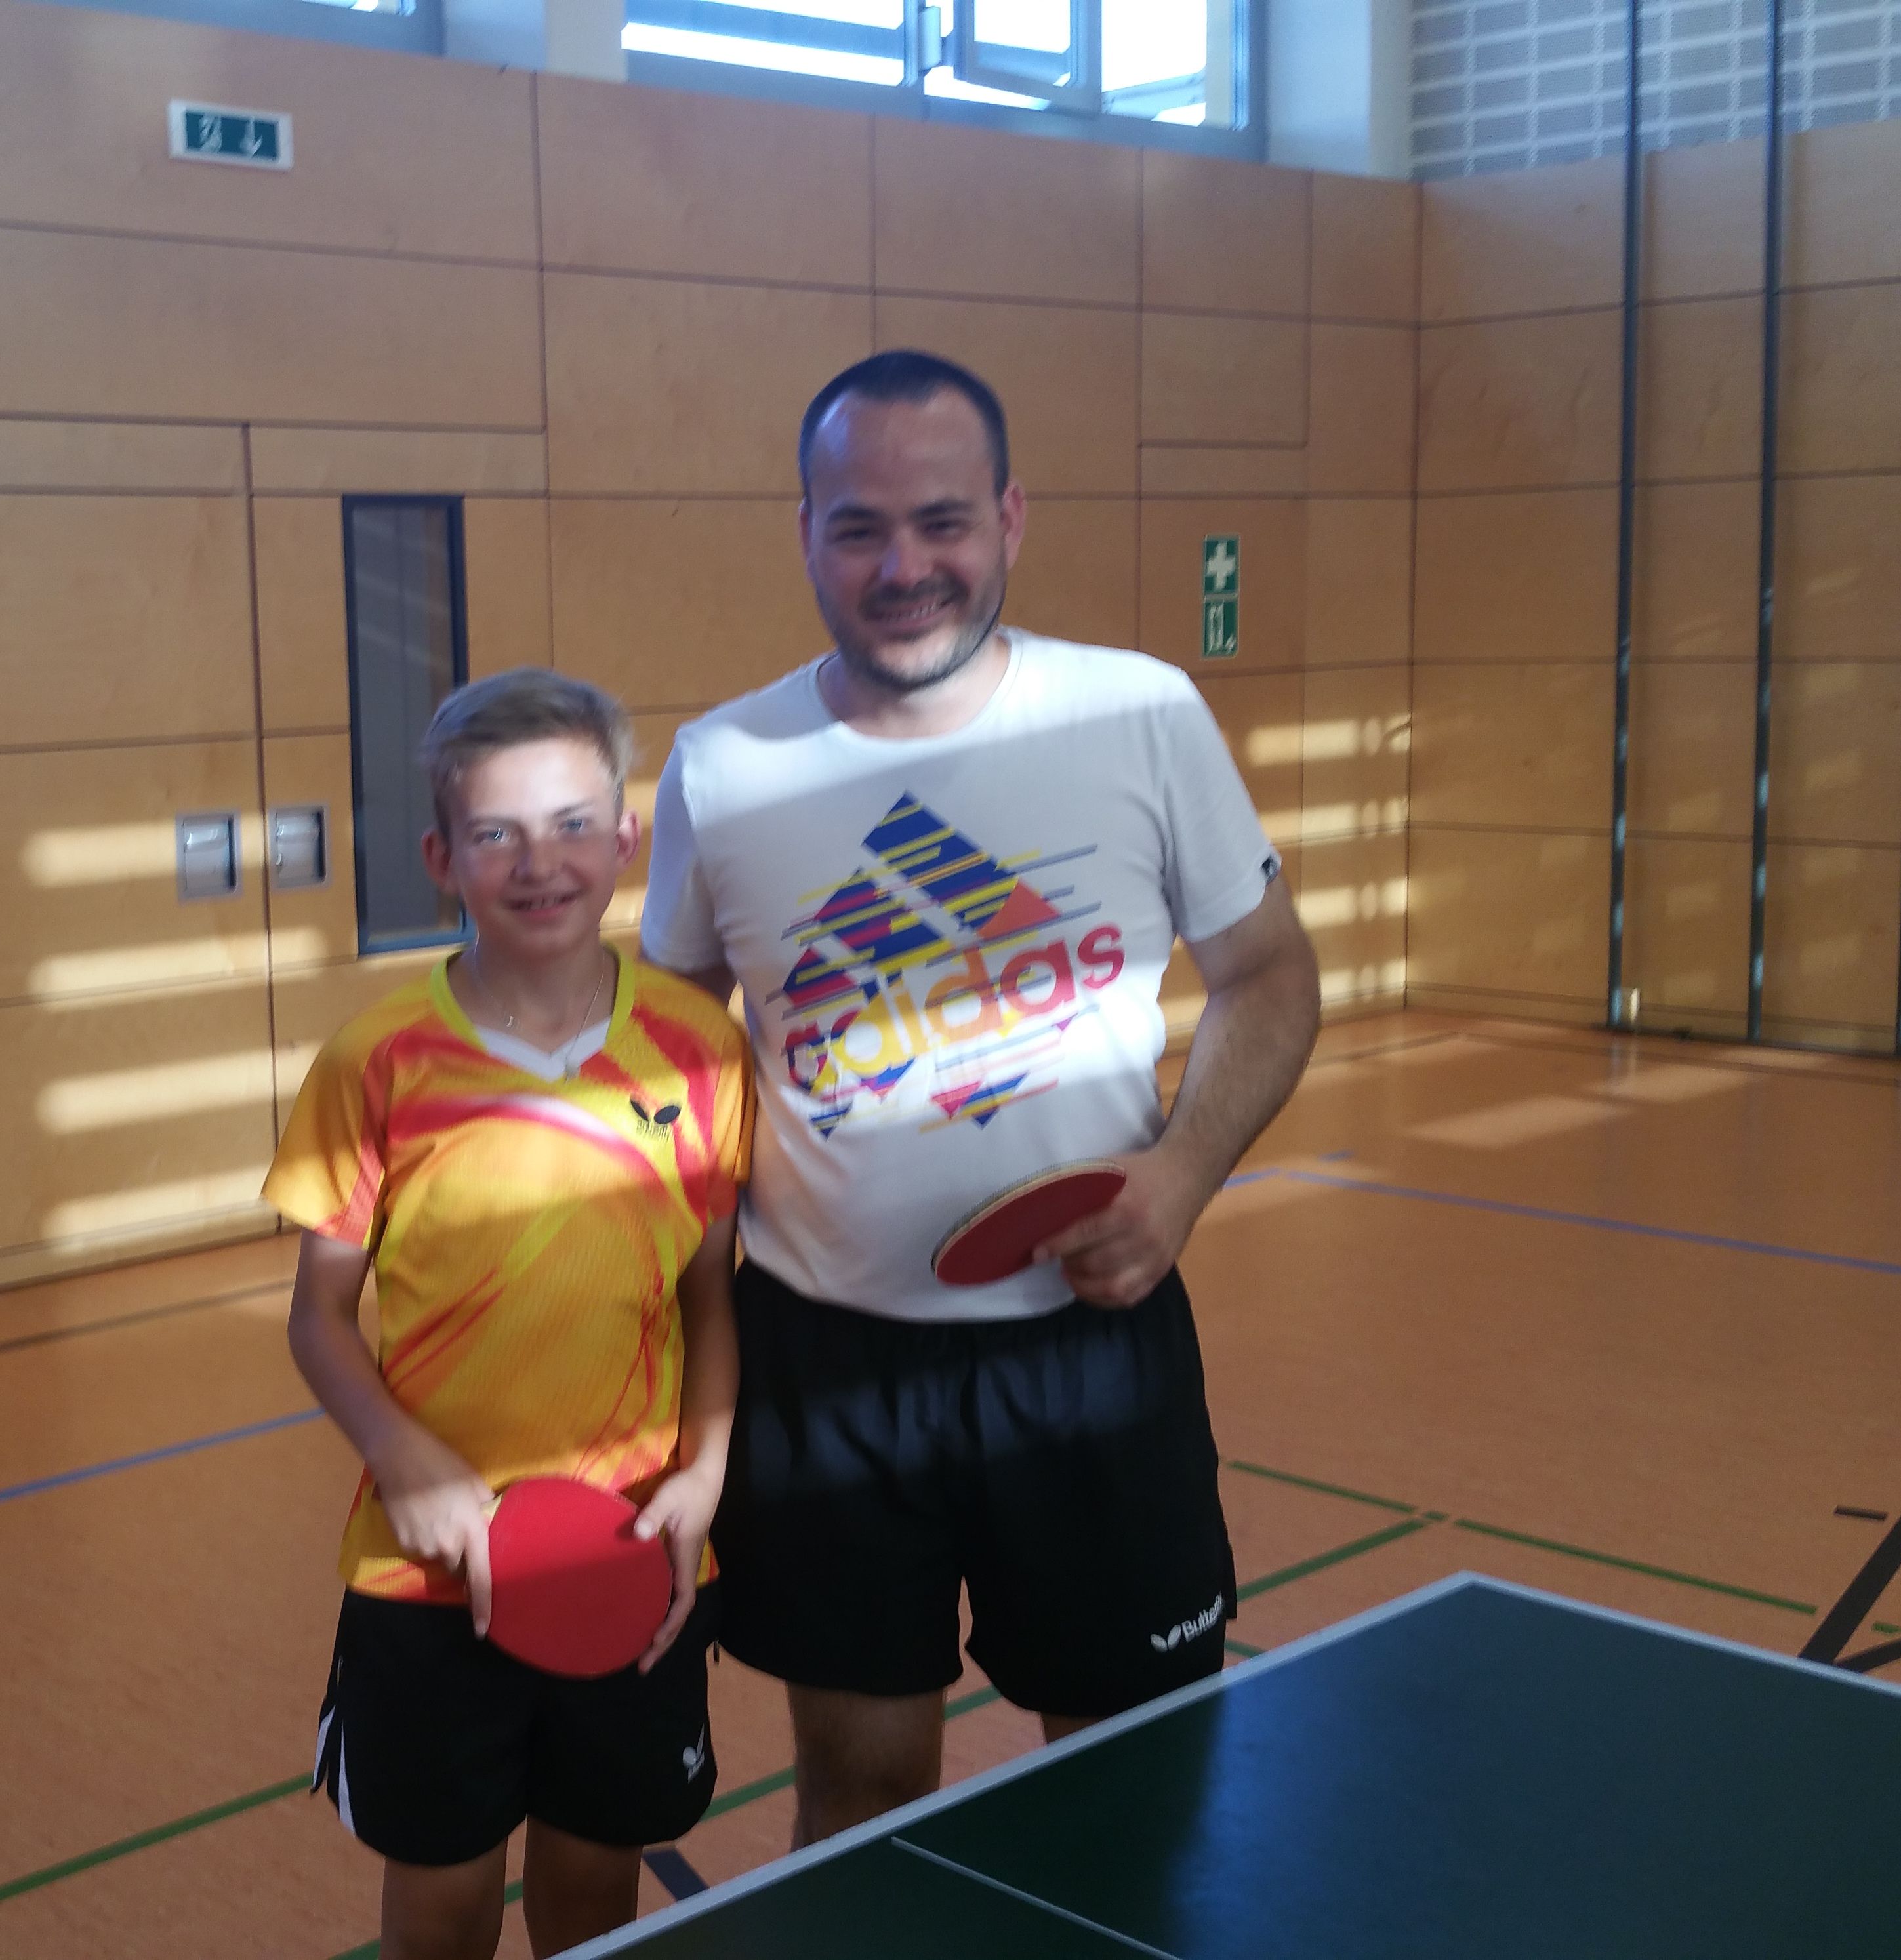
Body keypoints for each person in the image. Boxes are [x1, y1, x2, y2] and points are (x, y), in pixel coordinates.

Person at [638, 350, 1321, 1846]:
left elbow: (1271, 976)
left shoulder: (1138, 715)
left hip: (1089, 1354)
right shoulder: (722, 768)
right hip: (824, 1366)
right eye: (859, 528)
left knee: (1132, 1778)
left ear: (1010, 516)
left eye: (941, 521)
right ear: (805, 533)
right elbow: (668, 1057)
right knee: (861, 1789)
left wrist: (1180, 1176)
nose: (904, 567)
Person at [271, 668, 753, 1959]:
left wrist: (705, 1473)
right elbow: (319, 1316)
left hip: (633, 1546)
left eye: (571, 825)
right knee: (441, 1900)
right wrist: (402, 1457)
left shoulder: (700, 1050)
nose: (540, 864)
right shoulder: (375, 1062)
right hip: (428, 1568)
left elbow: (710, 1292)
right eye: (496, 834)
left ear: (626, 839)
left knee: (594, 1885)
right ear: (442, 859)